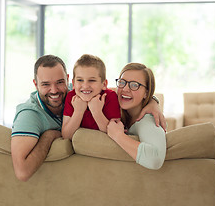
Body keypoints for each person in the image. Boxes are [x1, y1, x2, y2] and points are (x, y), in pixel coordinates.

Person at [11, 55, 165, 181]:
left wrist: (153, 101)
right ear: (35, 84)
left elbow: (113, 94)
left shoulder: (82, 92)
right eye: (45, 84)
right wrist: (50, 134)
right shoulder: (30, 115)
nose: (54, 90)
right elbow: (22, 172)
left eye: (59, 82)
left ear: (67, 81)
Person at [107, 63, 166, 170]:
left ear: (146, 93)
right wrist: (154, 100)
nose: (125, 89)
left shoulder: (147, 121)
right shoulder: (114, 103)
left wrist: (117, 135)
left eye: (134, 85)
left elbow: (155, 160)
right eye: (122, 82)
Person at [62, 54, 121, 139]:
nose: (85, 86)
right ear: (73, 83)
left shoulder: (110, 97)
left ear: (104, 84)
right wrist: (78, 111)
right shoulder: (71, 97)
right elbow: (66, 136)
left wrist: (96, 111)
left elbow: (115, 135)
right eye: (80, 80)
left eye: (92, 80)